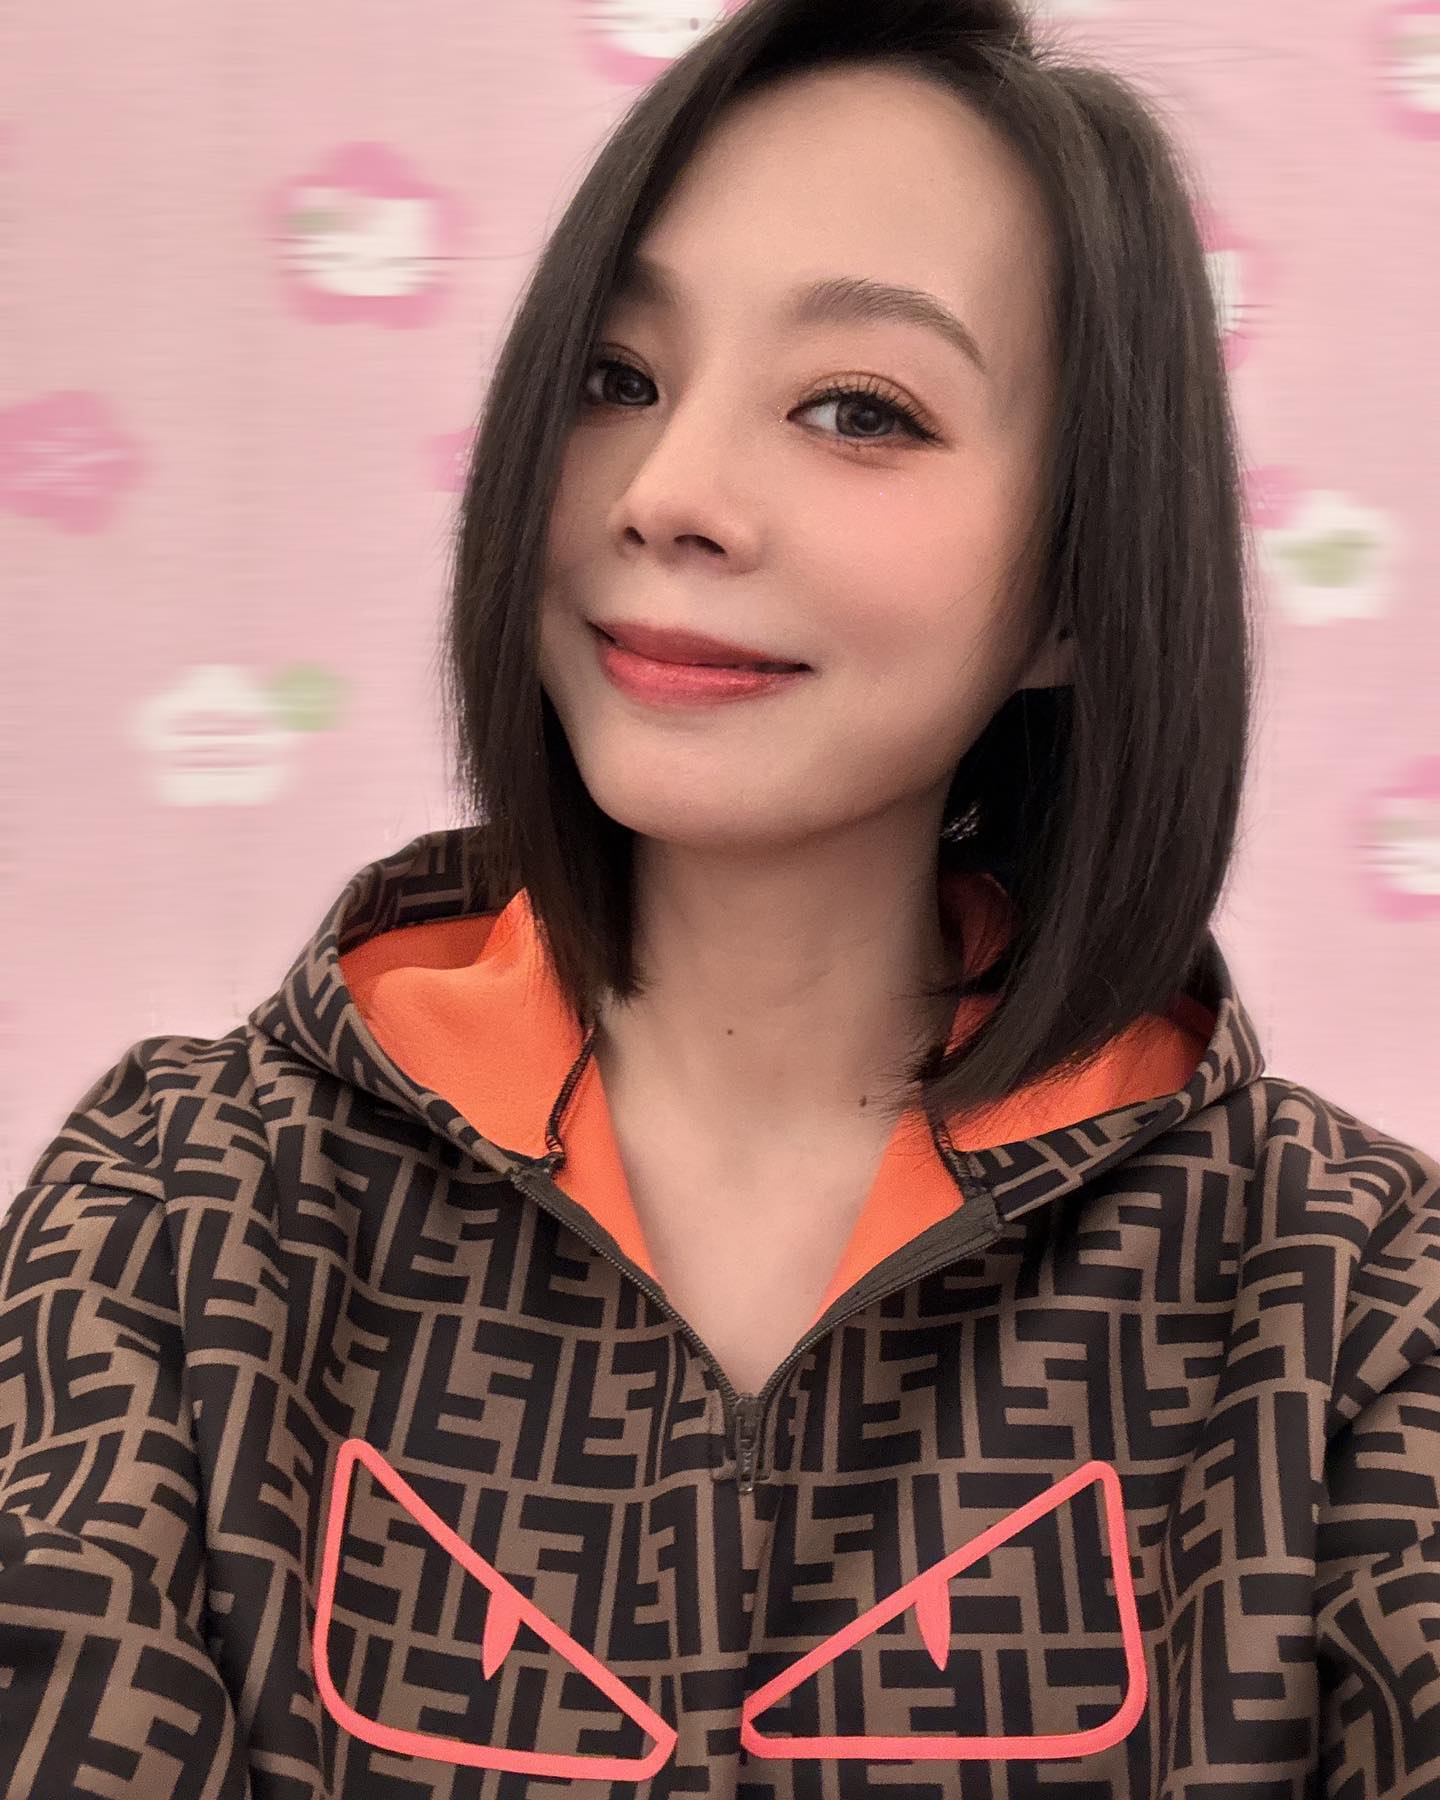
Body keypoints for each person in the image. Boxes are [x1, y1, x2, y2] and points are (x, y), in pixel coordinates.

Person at [2, 0, 1437, 1792]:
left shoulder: (1349, 1299)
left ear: (1079, 583)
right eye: (617, 379)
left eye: (858, 409)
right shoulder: (177, 1212)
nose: (670, 496)